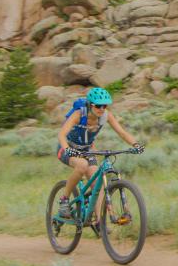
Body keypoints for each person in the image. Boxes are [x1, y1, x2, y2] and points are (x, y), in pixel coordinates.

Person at [55, 86, 143, 219]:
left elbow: (122, 133)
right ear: (90, 105)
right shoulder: (79, 114)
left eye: (105, 106)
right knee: (82, 166)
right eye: (98, 106)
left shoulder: (106, 116)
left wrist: (136, 144)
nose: (102, 109)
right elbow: (61, 134)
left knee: (97, 182)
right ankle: (64, 200)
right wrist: (67, 149)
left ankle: (99, 222)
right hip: (66, 148)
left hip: (87, 150)